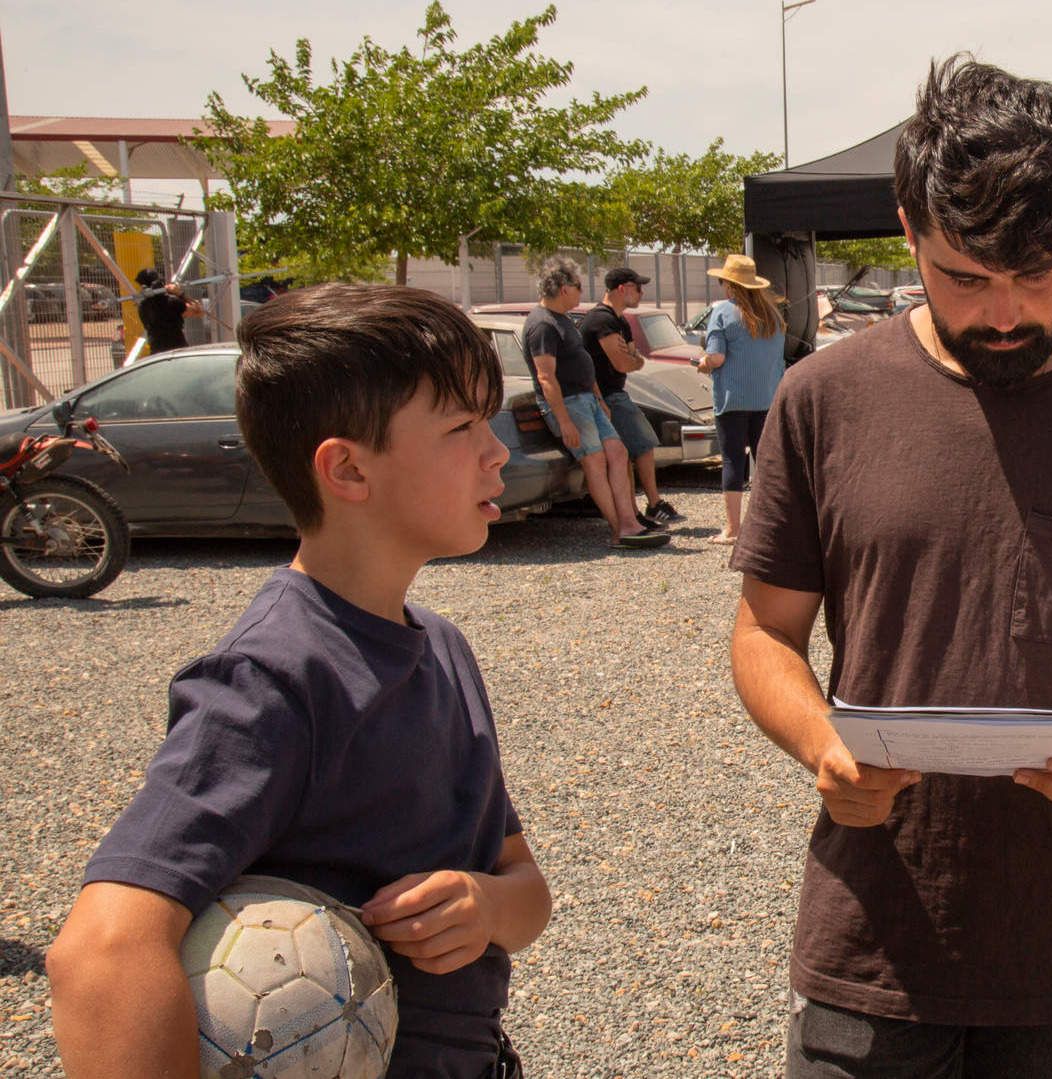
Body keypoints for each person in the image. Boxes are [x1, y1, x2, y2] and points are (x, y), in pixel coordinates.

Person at [729, 55, 1052, 1076]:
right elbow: (764, 633)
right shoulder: (823, 398)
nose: (1006, 309)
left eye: (1041, 273)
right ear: (906, 224)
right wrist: (818, 744)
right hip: (870, 933)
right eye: (968, 276)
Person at [46, 284, 553, 1077]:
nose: (496, 450)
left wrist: (484, 906)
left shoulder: (444, 647)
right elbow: (102, 949)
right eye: (461, 426)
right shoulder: (272, 677)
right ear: (347, 468)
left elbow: (524, 888)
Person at [522, 257, 666, 549]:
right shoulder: (542, 326)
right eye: (577, 286)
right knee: (595, 461)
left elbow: (584, 364)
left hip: (588, 400)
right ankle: (620, 530)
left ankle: (631, 522)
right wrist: (563, 420)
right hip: (570, 404)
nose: (580, 292)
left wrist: (599, 399)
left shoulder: (563, 321)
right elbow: (546, 377)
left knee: (617, 451)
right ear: (563, 288)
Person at [578, 266, 683, 525]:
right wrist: (631, 358)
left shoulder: (620, 321)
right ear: (622, 289)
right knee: (640, 446)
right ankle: (646, 507)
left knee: (634, 449)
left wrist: (631, 358)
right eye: (638, 287)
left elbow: (636, 359)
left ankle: (641, 509)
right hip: (605, 396)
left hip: (615, 393)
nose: (642, 292)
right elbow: (625, 363)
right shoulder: (602, 321)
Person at [698, 254, 787, 546]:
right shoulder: (774, 314)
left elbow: (717, 357)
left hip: (732, 398)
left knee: (733, 460)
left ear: (729, 285)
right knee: (768, 462)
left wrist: (702, 362)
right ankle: (774, 525)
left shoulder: (723, 312)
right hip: (768, 398)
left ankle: (733, 528)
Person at [133, 266, 202, 356]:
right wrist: (180, 293)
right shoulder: (171, 302)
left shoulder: (142, 307)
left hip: (157, 354)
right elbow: (198, 310)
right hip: (178, 351)